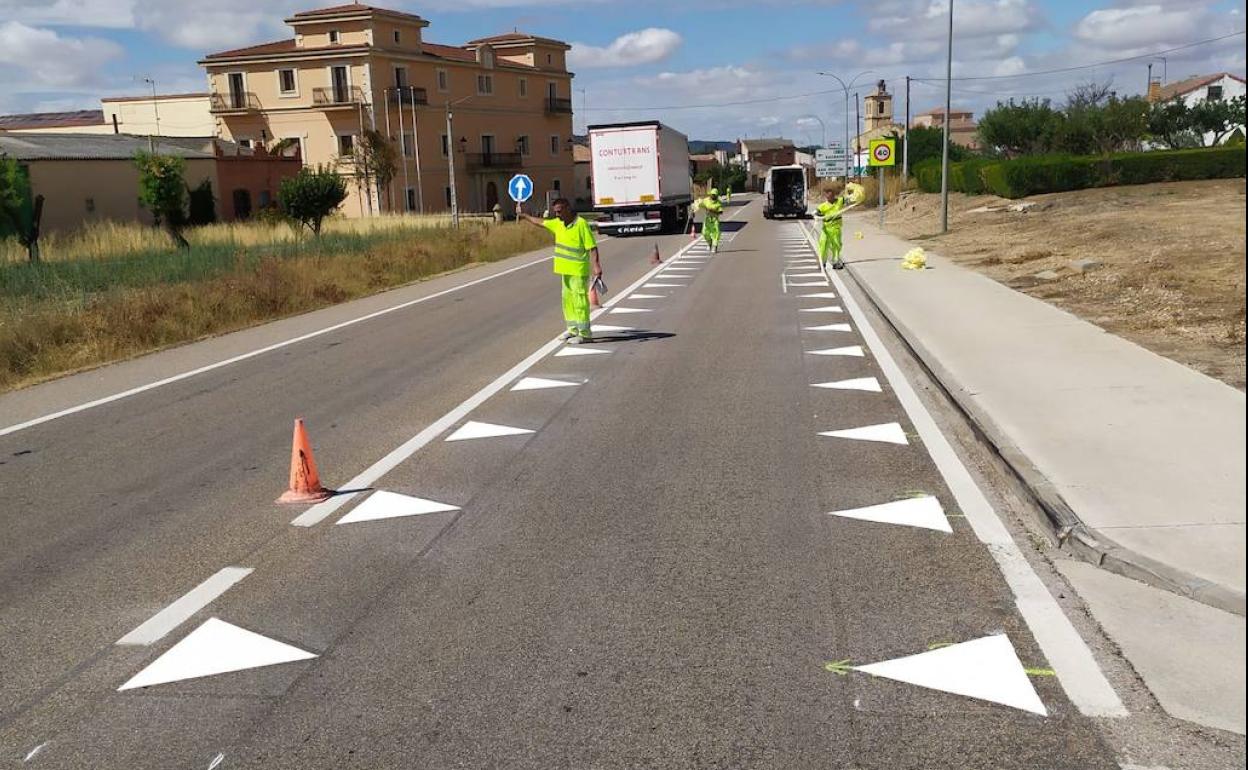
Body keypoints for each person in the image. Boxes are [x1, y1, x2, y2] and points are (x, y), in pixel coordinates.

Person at [517, 197, 603, 343]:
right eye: (555, 212)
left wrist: (596, 266)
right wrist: (525, 216)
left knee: (579, 301)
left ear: (568, 208)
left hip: (578, 270)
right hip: (565, 270)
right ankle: (572, 329)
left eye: (559, 211)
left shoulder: (581, 224)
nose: (557, 215)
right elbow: (541, 222)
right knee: (567, 300)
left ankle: (585, 334)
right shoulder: (558, 224)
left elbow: (592, 247)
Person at [815, 183, 847, 271]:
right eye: (827, 192)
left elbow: (851, 200)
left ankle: (835, 262)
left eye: (830, 192)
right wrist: (817, 215)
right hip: (826, 229)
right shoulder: (822, 206)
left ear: (834, 193)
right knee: (823, 244)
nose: (829, 194)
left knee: (836, 245)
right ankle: (822, 262)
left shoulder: (840, 201)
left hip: (836, 228)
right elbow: (817, 212)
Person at [694, 188, 724, 253]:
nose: (713, 196)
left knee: (716, 233)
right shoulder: (706, 200)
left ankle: (715, 247)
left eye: (715, 195)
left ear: (716, 195)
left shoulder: (718, 203)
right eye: (712, 194)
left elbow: (721, 212)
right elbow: (700, 203)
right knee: (704, 232)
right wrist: (695, 205)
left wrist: (713, 211)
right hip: (707, 219)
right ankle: (709, 242)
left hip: (714, 220)